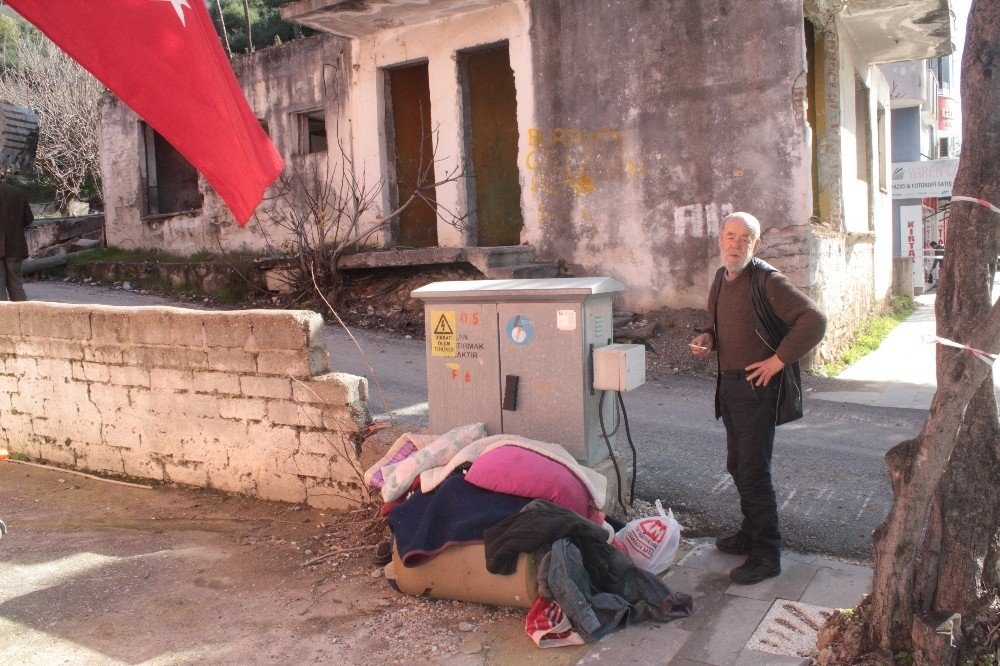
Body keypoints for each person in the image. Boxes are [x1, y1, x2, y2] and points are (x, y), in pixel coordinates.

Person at [689, 212, 826, 584]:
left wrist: (777, 361)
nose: (735, 244)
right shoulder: (721, 278)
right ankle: (751, 533)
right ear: (720, 238)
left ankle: (767, 554)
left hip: (756, 389)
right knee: (738, 466)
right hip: (730, 386)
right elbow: (716, 325)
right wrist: (707, 339)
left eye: (744, 238)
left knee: (753, 471)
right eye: (730, 236)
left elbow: (814, 320)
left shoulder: (768, 281)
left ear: (756, 243)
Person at [0, 180, 33, 301]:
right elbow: (29, 219)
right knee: (16, 285)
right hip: (15, 244)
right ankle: (21, 311)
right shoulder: (19, 192)